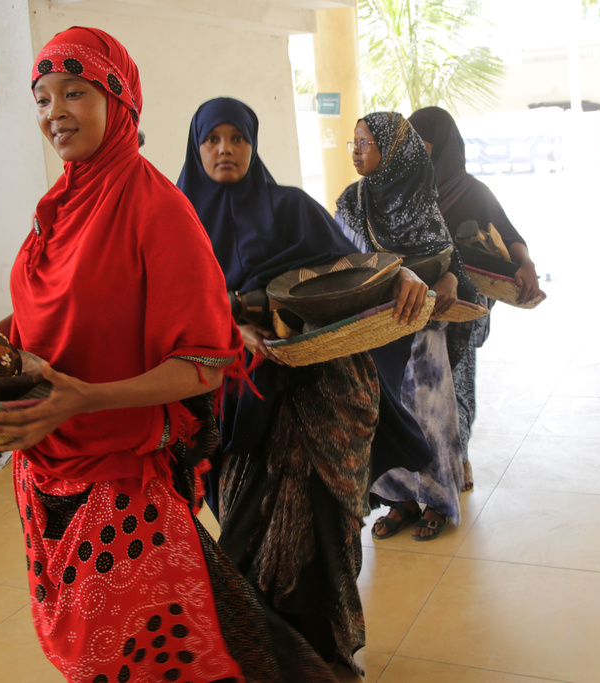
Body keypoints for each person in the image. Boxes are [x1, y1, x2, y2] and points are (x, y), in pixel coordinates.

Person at [0, 28, 339, 682]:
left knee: (132, 657)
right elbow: (45, 312)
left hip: (120, 481)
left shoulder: (156, 210)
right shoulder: (57, 206)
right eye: (42, 97)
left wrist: (87, 397)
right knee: (100, 651)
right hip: (45, 469)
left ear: (120, 101)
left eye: (75, 92)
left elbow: (205, 362)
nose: (54, 111)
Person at [177, 97, 430, 672]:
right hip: (241, 398)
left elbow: (355, 270)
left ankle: (329, 652)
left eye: (237, 138)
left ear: (253, 144)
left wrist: (406, 273)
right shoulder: (177, 219)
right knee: (252, 522)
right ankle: (265, 653)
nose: (225, 150)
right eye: (212, 139)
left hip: (323, 388)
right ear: (196, 148)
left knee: (326, 523)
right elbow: (162, 308)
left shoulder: (290, 207)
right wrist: (227, 325)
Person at [336, 111, 481, 541]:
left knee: (431, 417)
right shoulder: (350, 201)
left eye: (365, 143)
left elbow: (448, 259)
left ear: (394, 153)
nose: (357, 152)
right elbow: (343, 260)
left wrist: (450, 279)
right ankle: (399, 499)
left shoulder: (419, 200)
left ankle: (437, 500)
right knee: (382, 415)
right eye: (354, 143)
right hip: (372, 329)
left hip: (421, 333)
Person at [407, 106, 541, 491]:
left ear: (443, 147)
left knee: (456, 384)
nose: (416, 151)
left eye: (424, 143)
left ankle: (458, 457)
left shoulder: (470, 191)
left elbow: (510, 235)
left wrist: (525, 263)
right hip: (415, 306)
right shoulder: (402, 191)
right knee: (418, 391)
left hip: (462, 305)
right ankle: (418, 472)